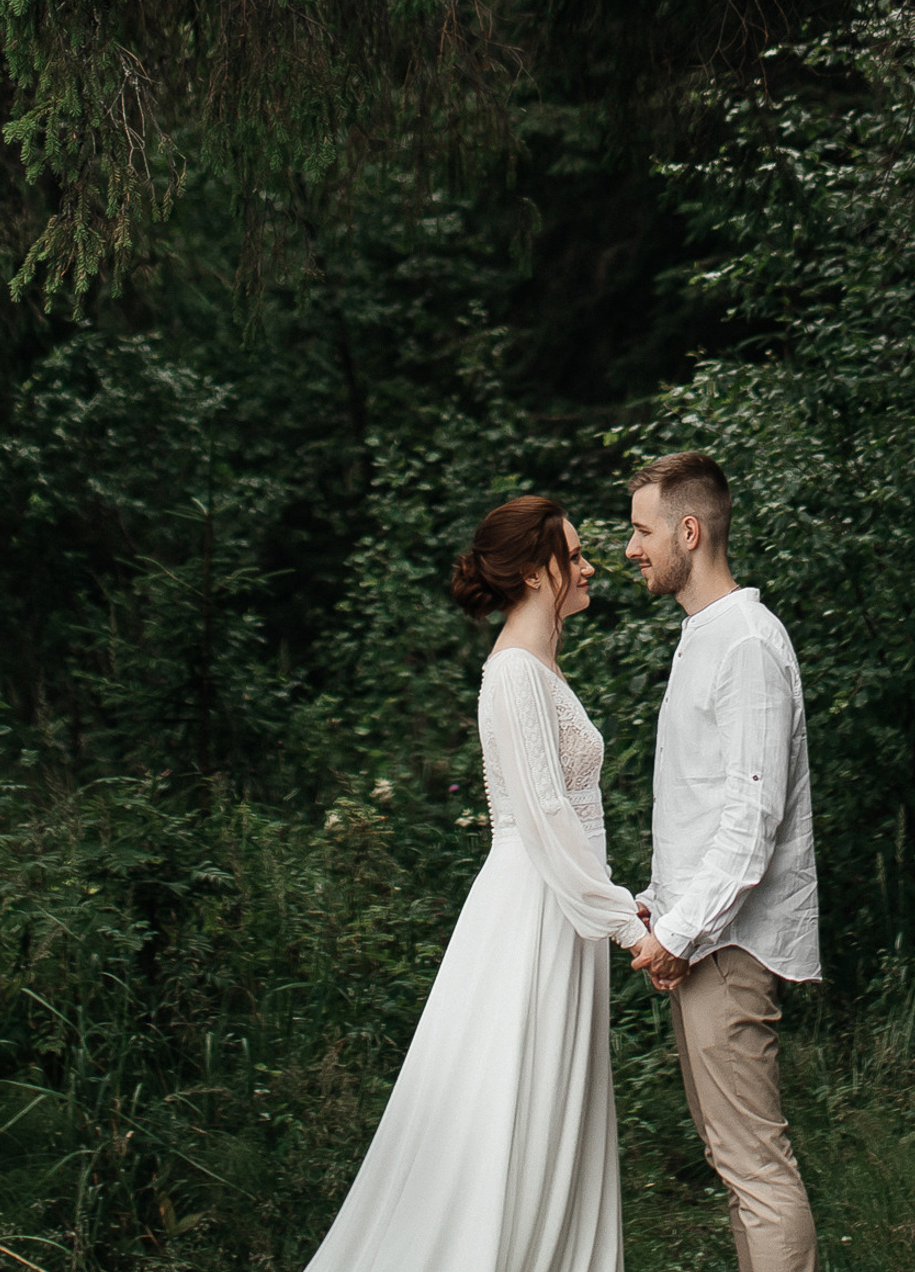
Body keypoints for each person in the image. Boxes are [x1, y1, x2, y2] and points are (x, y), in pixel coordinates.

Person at [303, 494, 647, 1272]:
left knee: (554, 1108)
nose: (591, 565)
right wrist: (626, 921)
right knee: (517, 1103)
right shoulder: (515, 674)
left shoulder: (538, 666)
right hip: (536, 914)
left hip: (567, 910)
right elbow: (548, 818)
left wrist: (619, 905)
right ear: (534, 571)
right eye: (576, 553)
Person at [624, 450, 822, 1272]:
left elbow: (751, 820)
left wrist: (678, 932)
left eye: (642, 530)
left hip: (728, 949)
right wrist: (654, 907)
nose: (631, 547)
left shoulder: (744, 641)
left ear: (690, 530)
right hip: (704, 941)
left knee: (755, 1171)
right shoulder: (706, 636)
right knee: (737, 1167)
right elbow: (705, 808)